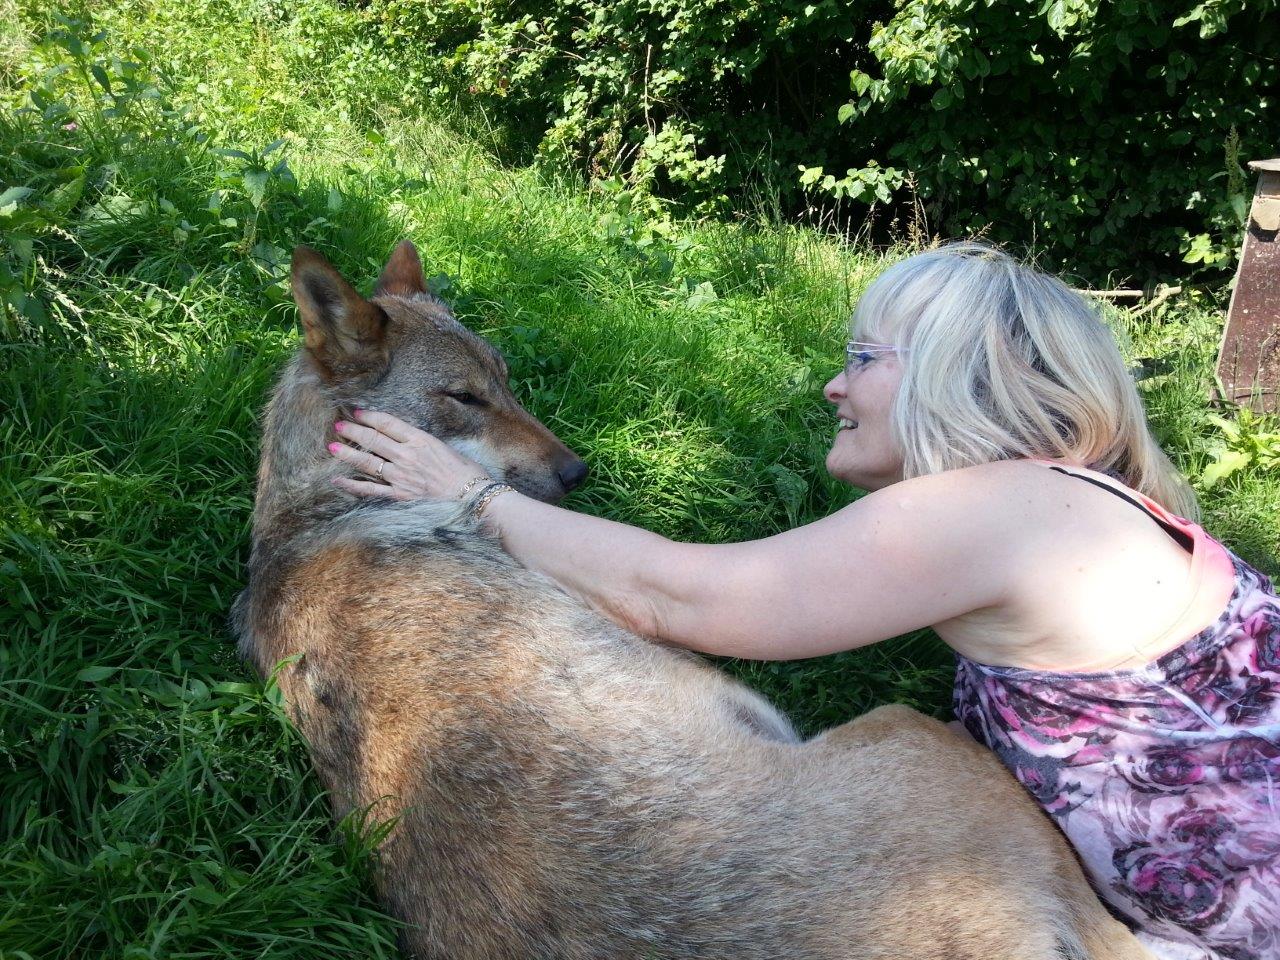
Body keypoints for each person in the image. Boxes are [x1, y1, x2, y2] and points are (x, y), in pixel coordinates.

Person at [326, 242, 1280, 960]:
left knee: (907, 742)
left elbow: (682, 599)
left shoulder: (1018, 507)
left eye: (865, 356)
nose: (834, 383)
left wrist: (473, 498)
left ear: (963, 377)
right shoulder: (1056, 502)